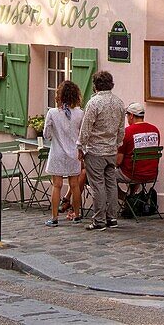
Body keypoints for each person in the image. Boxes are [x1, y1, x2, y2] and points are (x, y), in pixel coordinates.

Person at [77, 70, 125, 231]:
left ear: (95, 85)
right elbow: (121, 129)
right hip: (111, 150)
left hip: (95, 151)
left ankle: (99, 220)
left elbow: (86, 127)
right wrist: (117, 144)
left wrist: (80, 146)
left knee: (97, 186)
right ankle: (112, 218)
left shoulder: (94, 103)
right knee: (111, 184)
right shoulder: (119, 102)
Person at [43, 80, 85, 227]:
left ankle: (54, 218)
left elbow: (46, 134)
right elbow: (82, 134)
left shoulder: (53, 113)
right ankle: (77, 214)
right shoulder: (80, 113)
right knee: (74, 185)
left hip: (57, 153)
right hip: (74, 153)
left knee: (57, 185)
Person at [116, 101, 160, 207]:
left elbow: (118, 162)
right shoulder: (155, 130)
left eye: (127, 115)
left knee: (106, 175)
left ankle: (126, 198)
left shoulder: (127, 132)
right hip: (151, 173)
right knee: (137, 165)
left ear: (131, 116)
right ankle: (132, 198)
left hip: (132, 174)